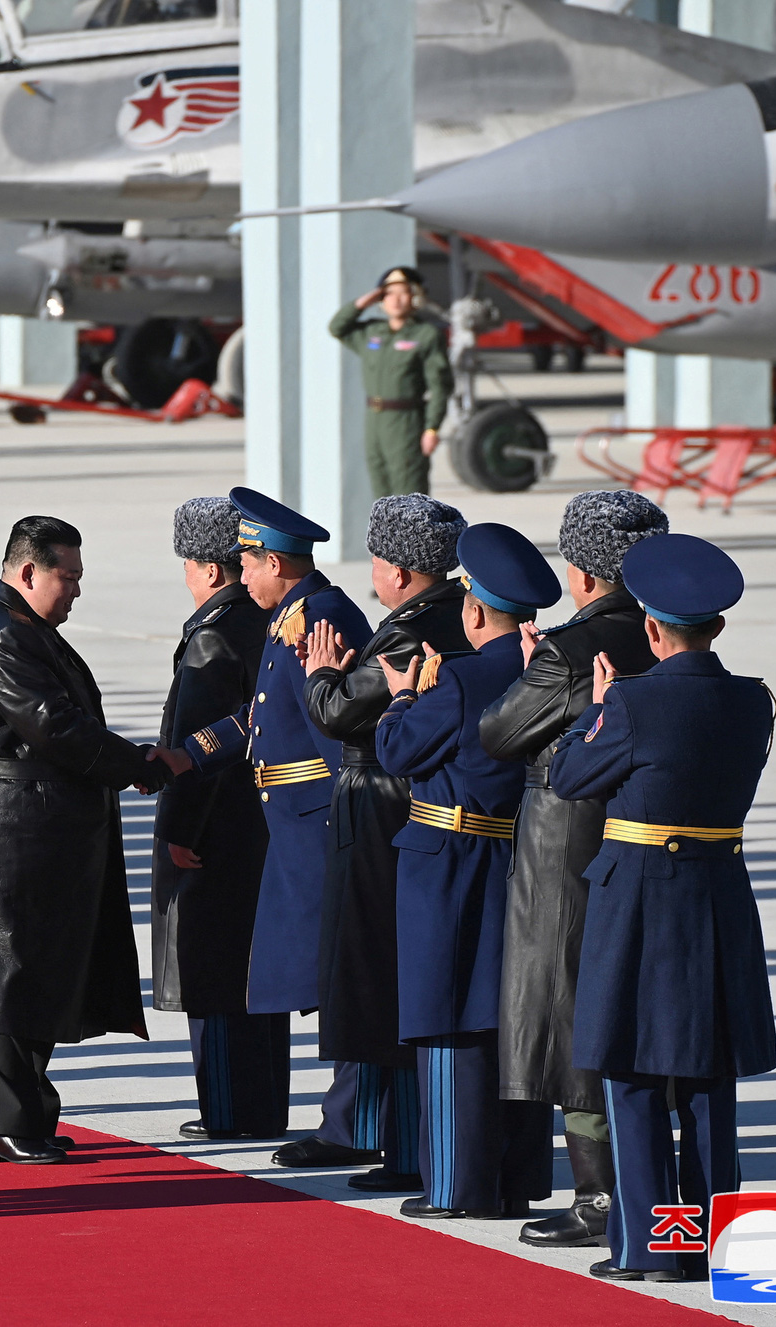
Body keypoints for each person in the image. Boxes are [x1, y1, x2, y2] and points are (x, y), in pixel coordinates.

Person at [550, 533, 776, 1282]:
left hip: (640, 901)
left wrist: (600, 708)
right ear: (717, 625)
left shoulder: (636, 701)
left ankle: (653, 1246)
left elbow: (570, 776)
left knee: (633, 1074)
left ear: (651, 626)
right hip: (717, 895)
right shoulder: (754, 699)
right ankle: (716, 1237)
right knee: (709, 1079)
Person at [0, 517, 161, 1165]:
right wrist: (140, 765)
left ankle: (20, 1115)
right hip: (2, 832)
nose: (76, 591)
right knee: (4, 982)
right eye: (70, 577)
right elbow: (56, 728)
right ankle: (7, 1121)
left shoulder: (22, 628)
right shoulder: (5, 636)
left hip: (22, 826)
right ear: (28, 571)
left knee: (24, 977)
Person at [168, 488, 383, 1170]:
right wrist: (190, 751)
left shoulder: (315, 619)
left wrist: (349, 826)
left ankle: (351, 1122)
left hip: (319, 823)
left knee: (345, 975)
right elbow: (263, 717)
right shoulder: (291, 611)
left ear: (276, 563)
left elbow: (337, 734)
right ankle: (349, 1115)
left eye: (249, 562)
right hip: (292, 822)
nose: (241, 574)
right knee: (316, 974)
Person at [477, 490, 668, 1246]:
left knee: (568, 1014)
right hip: (644, 839)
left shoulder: (568, 646)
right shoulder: (665, 629)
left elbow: (499, 731)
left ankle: (597, 1193)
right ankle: (647, 1180)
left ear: (583, 573)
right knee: (629, 1014)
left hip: (567, 844)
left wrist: (529, 672)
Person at [376, 522, 561, 1221]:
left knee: (448, 1016)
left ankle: (455, 1183)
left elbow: (397, 751)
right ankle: (517, 1177)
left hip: (448, 857)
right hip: (517, 855)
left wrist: (402, 694)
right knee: (506, 1015)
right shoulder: (546, 669)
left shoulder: (459, 676)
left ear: (473, 609)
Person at [301, 494, 471, 1191]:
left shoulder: (409, 632)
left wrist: (320, 673)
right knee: (398, 977)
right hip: (411, 812)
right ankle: (397, 1140)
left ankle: (403, 1147)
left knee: (381, 975)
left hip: (381, 812)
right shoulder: (452, 612)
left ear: (399, 571)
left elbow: (342, 713)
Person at [150, 497, 277, 1140]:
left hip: (217, 829)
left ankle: (229, 1110)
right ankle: (263, 1104)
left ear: (204, 568)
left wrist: (177, 831)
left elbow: (192, 751)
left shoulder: (211, 634)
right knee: (254, 968)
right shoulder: (266, 621)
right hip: (262, 822)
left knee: (214, 968)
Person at [329, 266, 452, 497]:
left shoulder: (426, 335)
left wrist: (432, 427)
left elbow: (440, 386)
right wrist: (364, 301)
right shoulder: (372, 332)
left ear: (416, 297)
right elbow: (337, 327)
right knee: (381, 496)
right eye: (388, 293)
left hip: (406, 423)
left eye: (403, 292)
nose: (395, 300)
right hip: (375, 421)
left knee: (409, 495)